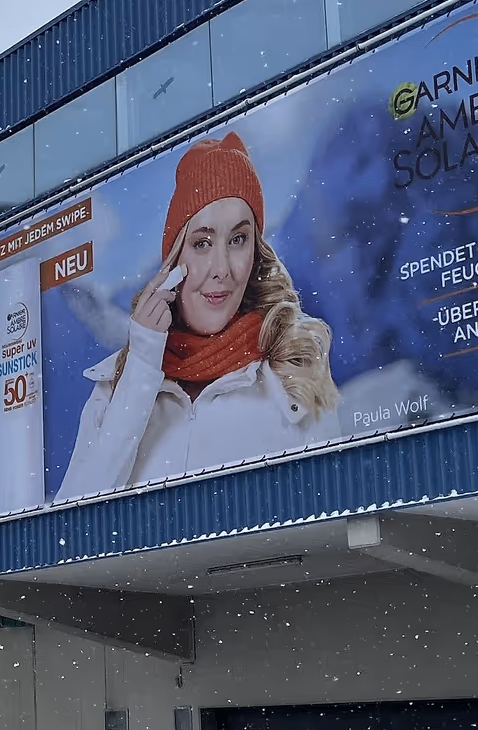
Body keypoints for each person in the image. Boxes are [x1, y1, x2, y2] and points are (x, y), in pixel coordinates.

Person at [57, 132, 340, 500]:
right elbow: (72, 523)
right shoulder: (116, 386)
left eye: (238, 240)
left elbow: (338, 510)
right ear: (175, 260)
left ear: (255, 252)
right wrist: (142, 366)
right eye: (202, 243)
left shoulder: (295, 374)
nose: (221, 269)